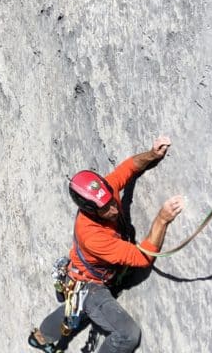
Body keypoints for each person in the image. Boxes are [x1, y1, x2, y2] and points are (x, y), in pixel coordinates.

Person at [28, 136, 185, 353]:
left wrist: (152, 154)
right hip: (92, 285)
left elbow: (129, 168)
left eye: (112, 200)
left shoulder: (104, 194)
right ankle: (42, 336)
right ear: (90, 211)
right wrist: (162, 219)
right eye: (105, 208)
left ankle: (41, 337)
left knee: (76, 305)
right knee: (127, 334)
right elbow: (143, 257)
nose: (113, 208)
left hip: (83, 276)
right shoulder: (92, 236)